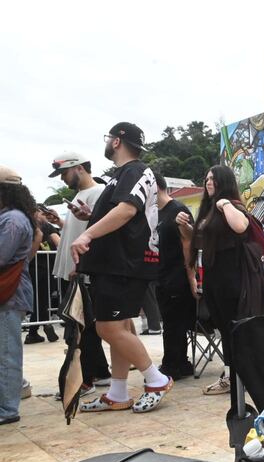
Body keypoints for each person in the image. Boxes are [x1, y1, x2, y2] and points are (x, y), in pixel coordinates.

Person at [73, 122, 172, 414]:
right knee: (120, 326)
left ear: (117, 141)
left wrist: (87, 234)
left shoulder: (136, 171)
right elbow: (124, 213)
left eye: (108, 139)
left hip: (124, 264)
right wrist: (91, 217)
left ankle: (156, 379)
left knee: (108, 327)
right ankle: (117, 392)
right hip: (117, 263)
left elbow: (128, 210)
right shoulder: (122, 176)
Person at [178, 165, 250, 395]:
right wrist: (187, 227)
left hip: (231, 278)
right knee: (223, 328)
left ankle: (237, 376)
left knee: (233, 328)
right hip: (213, 278)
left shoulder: (230, 206)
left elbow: (241, 226)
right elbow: (200, 242)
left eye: (214, 179)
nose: (209, 183)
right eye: (207, 178)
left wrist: (226, 204)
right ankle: (232, 375)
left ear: (224, 182)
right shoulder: (208, 209)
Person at [46, 152, 111, 394]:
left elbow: (99, 232)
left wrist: (81, 266)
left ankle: (87, 378)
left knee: (79, 328)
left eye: (64, 173)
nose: (62, 178)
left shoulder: (97, 193)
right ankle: (100, 372)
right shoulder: (81, 195)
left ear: (80, 168)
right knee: (84, 326)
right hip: (74, 271)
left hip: (81, 272)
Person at [0, 166, 35, 425]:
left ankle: (7, 408)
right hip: (9, 292)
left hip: (10, 294)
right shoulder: (12, 217)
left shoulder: (12, 219)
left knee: (7, 353)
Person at [154, 174, 196, 380]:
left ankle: (173, 364)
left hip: (177, 274)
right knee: (170, 321)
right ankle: (180, 362)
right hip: (161, 274)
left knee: (174, 322)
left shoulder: (178, 210)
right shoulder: (155, 213)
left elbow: (189, 243)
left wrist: (191, 278)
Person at [24, 210, 60, 344]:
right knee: (43, 299)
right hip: (44, 268)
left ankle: (34, 332)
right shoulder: (45, 226)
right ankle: (43, 325)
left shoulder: (25, 224)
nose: (45, 216)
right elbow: (58, 242)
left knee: (37, 300)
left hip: (30, 267)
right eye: (42, 213)